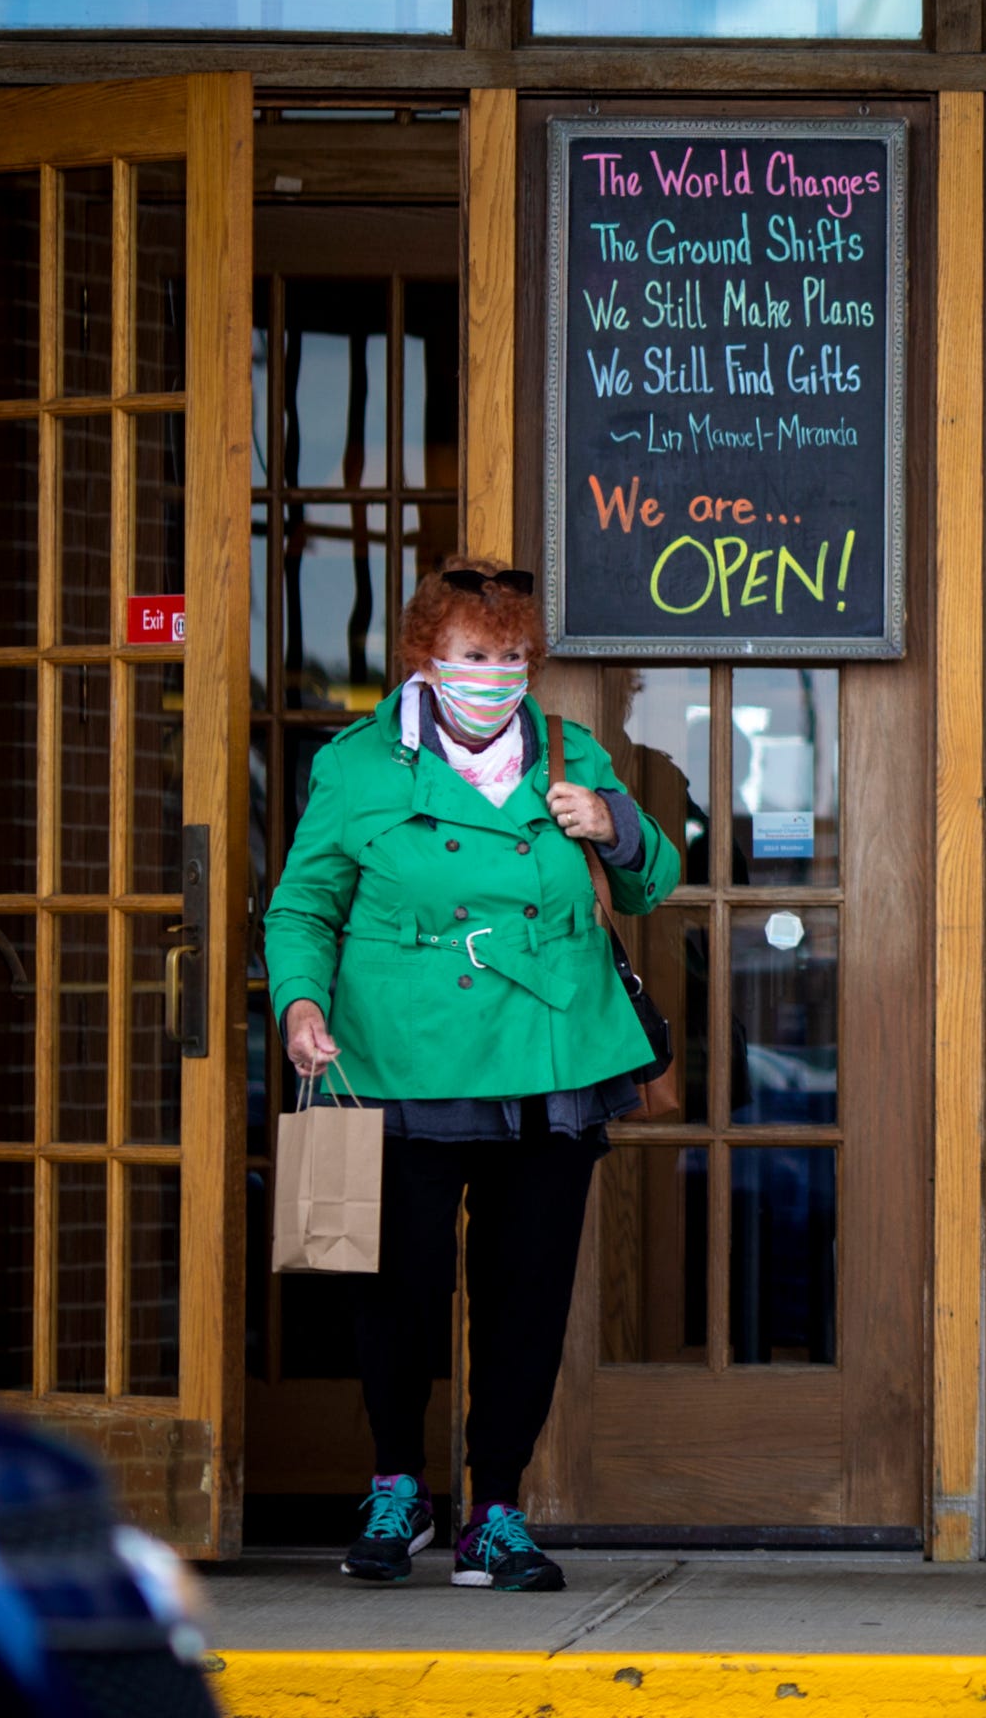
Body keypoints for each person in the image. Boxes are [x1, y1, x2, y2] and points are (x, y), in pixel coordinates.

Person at [263, 556, 679, 1592]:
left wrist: (615, 826)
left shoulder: (572, 750)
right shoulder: (359, 763)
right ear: (426, 657)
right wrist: (300, 1002)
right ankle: (397, 1488)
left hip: (548, 1057)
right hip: (399, 1055)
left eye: (512, 655)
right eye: (474, 654)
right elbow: (303, 903)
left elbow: (655, 878)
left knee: (524, 1292)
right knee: (393, 1289)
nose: (496, 672)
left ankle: (496, 1507)